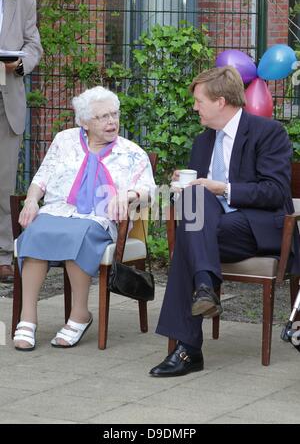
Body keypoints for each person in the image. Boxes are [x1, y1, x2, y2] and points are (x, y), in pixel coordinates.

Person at [149, 65, 300, 377]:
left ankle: (189, 347)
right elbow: (197, 201)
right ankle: (205, 287)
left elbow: (274, 192)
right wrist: (184, 186)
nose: (194, 107)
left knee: (191, 238)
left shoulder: (268, 133)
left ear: (220, 101)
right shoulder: (203, 142)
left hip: (258, 228)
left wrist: (221, 188)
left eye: (199, 101)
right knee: (194, 204)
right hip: (214, 230)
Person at [13, 86, 156, 351]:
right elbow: (41, 178)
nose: (112, 121)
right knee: (35, 232)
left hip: (101, 219)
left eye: (114, 114)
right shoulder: (64, 140)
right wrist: (32, 199)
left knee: (78, 233)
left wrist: (127, 195)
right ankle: (28, 316)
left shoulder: (132, 152)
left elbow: (149, 192)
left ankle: (80, 313)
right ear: (84, 122)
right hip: (58, 211)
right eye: (103, 117)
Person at [0, 0, 43, 282]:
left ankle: (3, 254)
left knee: (3, 185)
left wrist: (19, 65)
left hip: (8, 101)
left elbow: (33, 46)